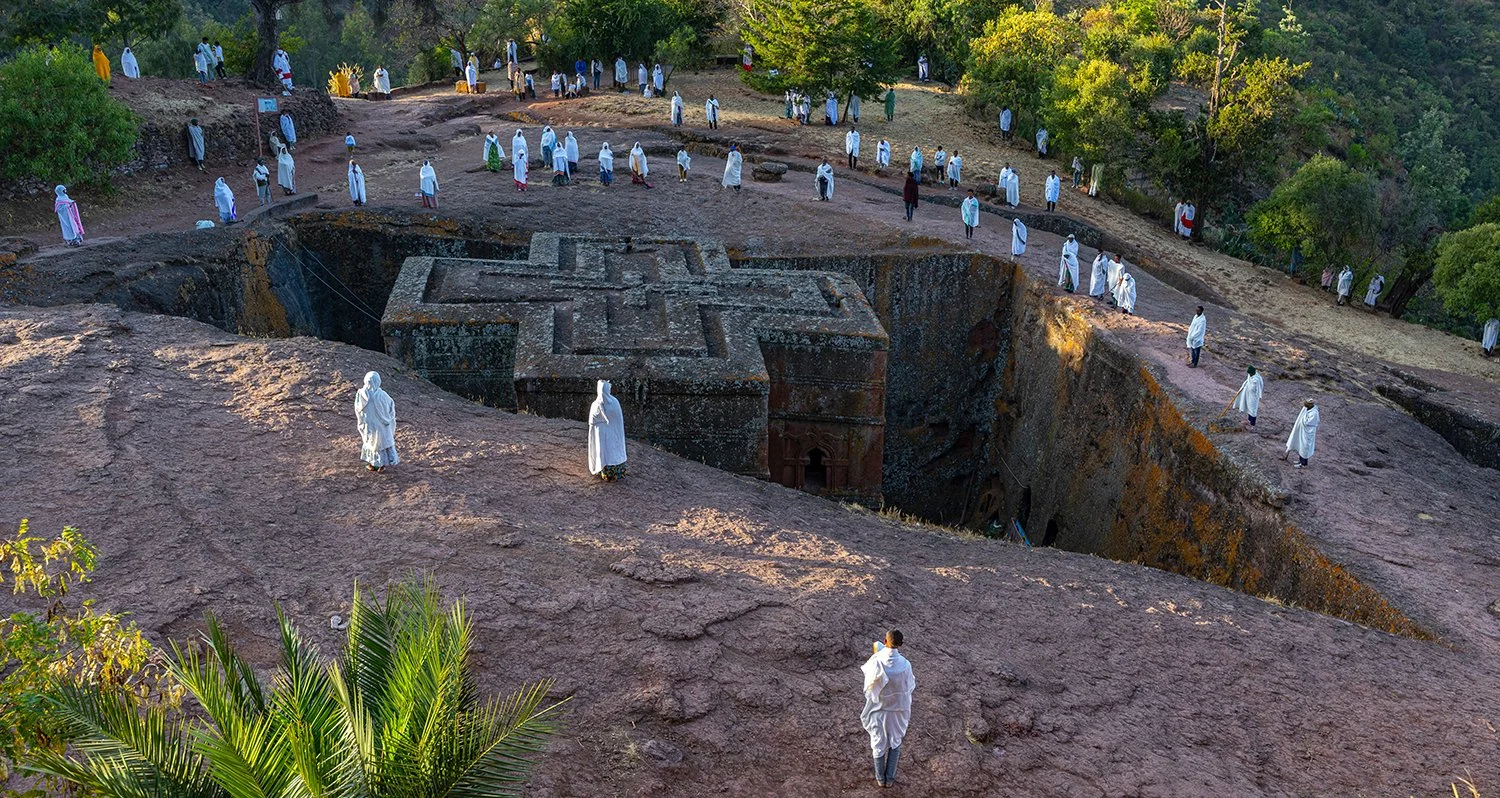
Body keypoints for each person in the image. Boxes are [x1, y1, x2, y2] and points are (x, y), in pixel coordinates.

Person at [861, 630, 915, 789]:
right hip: (898, 711)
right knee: (895, 742)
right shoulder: (905, 665)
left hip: (878, 710)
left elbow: (869, 687)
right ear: (901, 644)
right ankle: (889, 779)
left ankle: (880, 778)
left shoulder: (876, 661)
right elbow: (909, 686)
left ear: (885, 641)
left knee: (878, 744)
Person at [355, 371, 399, 472]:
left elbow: (358, 409)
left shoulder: (361, 394)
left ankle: (372, 464)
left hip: (369, 425)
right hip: (382, 426)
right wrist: (388, 420)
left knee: (371, 442)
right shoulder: (383, 396)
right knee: (381, 444)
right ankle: (381, 465)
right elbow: (391, 410)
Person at [588, 380, 627, 480]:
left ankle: (608, 474)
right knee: (609, 453)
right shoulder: (613, 402)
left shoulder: (597, 405)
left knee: (606, 453)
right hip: (607, 435)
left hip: (607, 435)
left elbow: (592, 421)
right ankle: (611, 474)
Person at [1286, 399, 1319, 468]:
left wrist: (1303, 418)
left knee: (1305, 447)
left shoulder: (1314, 413)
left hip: (1308, 433)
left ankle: (1303, 464)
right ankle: (1300, 460)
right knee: (1301, 446)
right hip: (1303, 432)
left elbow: (1308, 422)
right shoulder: (1307, 409)